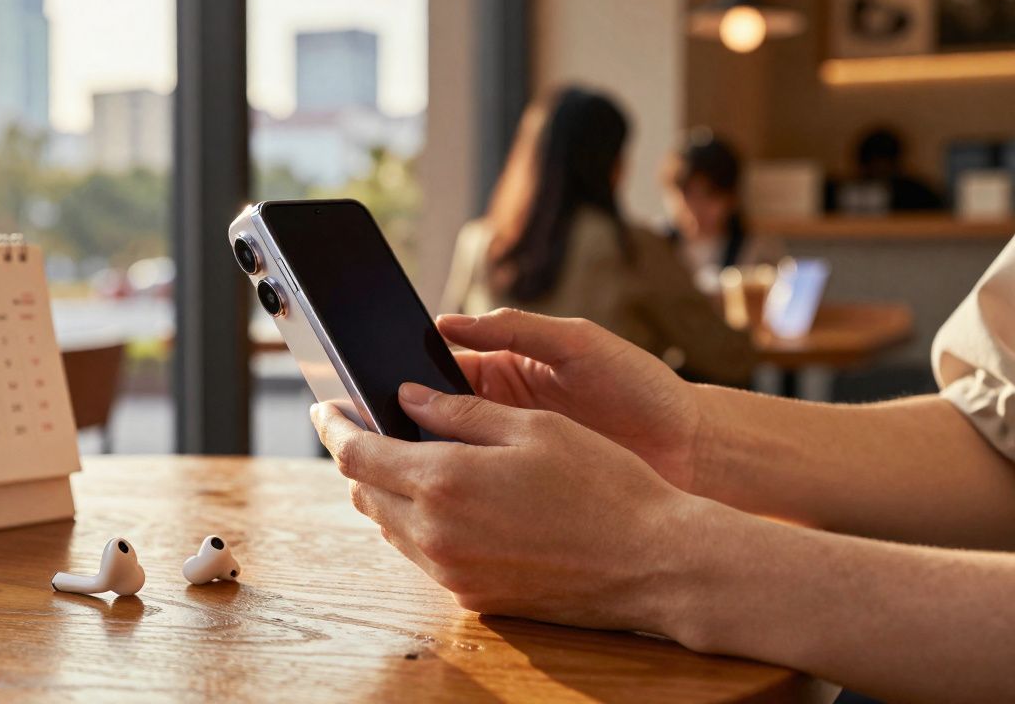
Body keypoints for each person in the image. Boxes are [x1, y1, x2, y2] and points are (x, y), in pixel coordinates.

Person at [310, 234, 1015, 702]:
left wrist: (657, 558)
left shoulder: (488, 234)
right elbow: (997, 430)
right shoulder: (636, 244)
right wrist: (691, 439)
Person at [440, 87, 754, 386]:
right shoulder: (632, 248)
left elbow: (449, 348)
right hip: (604, 426)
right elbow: (729, 357)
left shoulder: (479, 243)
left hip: (498, 421)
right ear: (613, 164)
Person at [662, 129, 783, 292]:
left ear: (731, 198)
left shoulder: (757, 251)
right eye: (688, 194)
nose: (698, 206)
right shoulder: (653, 247)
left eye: (710, 195)